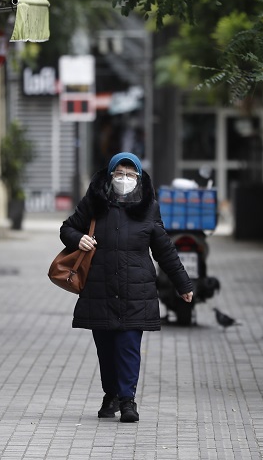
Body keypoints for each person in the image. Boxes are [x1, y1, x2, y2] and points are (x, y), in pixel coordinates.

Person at [60, 152, 194, 423]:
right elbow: (67, 229)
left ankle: (127, 400)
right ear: (110, 176)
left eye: (130, 175)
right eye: (119, 174)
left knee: (129, 345)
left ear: (139, 179)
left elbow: (164, 249)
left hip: (136, 289)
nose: (124, 179)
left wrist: (183, 283)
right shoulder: (94, 203)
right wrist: (79, 239)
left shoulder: (148, 207)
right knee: (106, 349)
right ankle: (110, 395)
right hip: (100, 287)